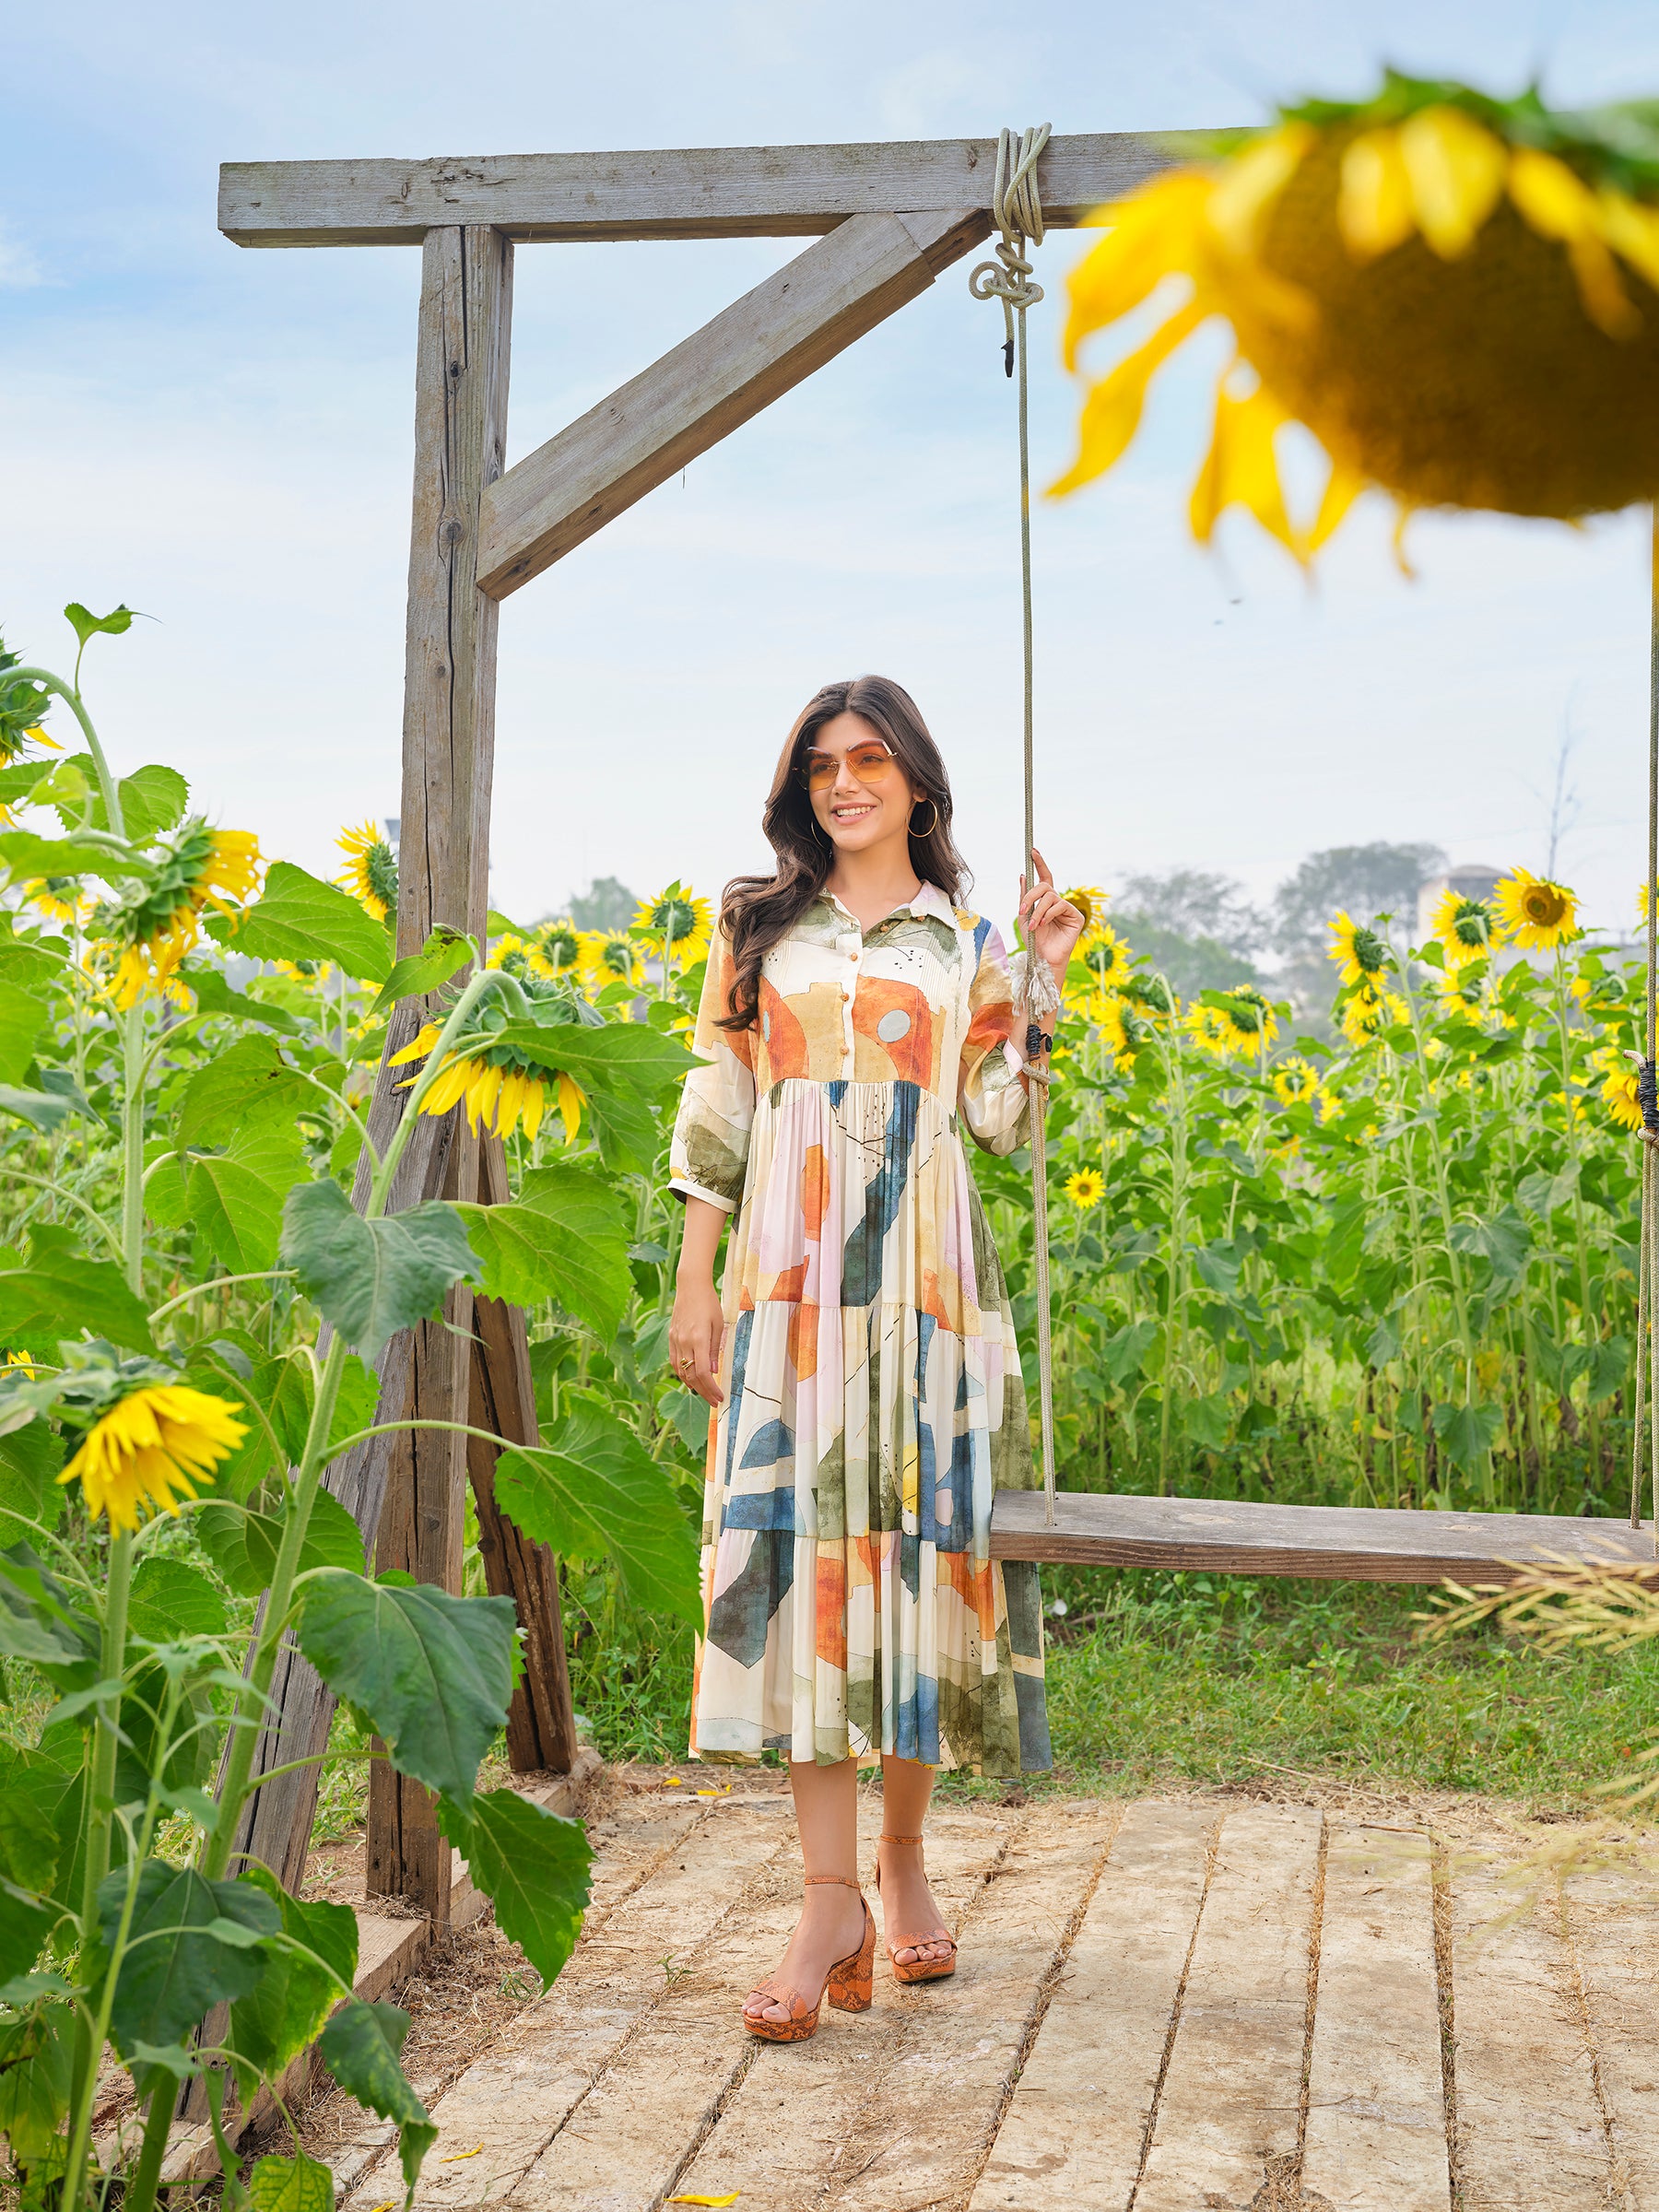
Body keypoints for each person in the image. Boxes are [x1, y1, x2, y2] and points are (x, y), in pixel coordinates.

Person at [666, 674, 1083, 2042]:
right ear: (803, 785)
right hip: (786, 1285)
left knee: (910, 1559)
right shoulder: (755, 927)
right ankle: (827, 1900)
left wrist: (1043, 980)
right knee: (798, 1562)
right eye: (824, 763)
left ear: (915, 779)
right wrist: (693, 1289)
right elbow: (718, 1113)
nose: (846, 781)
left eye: (871, 759)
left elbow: (999, 1121)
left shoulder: (959, 933)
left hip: (927, 1285)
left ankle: (902, 1867)